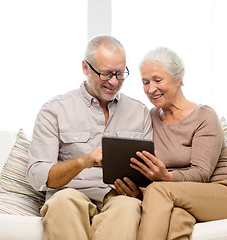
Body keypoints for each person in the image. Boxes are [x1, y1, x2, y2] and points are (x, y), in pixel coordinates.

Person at [26, 35, 153, 240]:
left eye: (120, 73)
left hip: (117, 197)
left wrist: (137, 191)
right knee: (62, 202)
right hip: (71, 194)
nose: (114, 82)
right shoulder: (55, 110)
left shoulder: (139, 112)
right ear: (85, 68)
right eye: (106, 74)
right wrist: (83, 161)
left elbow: (147, 175)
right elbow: (37, 175)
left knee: (130, 207)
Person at [117, 47, 227, 240]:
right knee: (177, 220)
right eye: (145, 82)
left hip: (223, 196)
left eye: (157, 80)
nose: (151, 89)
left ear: (178, 78)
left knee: (157, 189)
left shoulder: (204, 116)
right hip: (178, 197)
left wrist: (166, 178)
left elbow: (202, 173)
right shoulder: (149, 118)